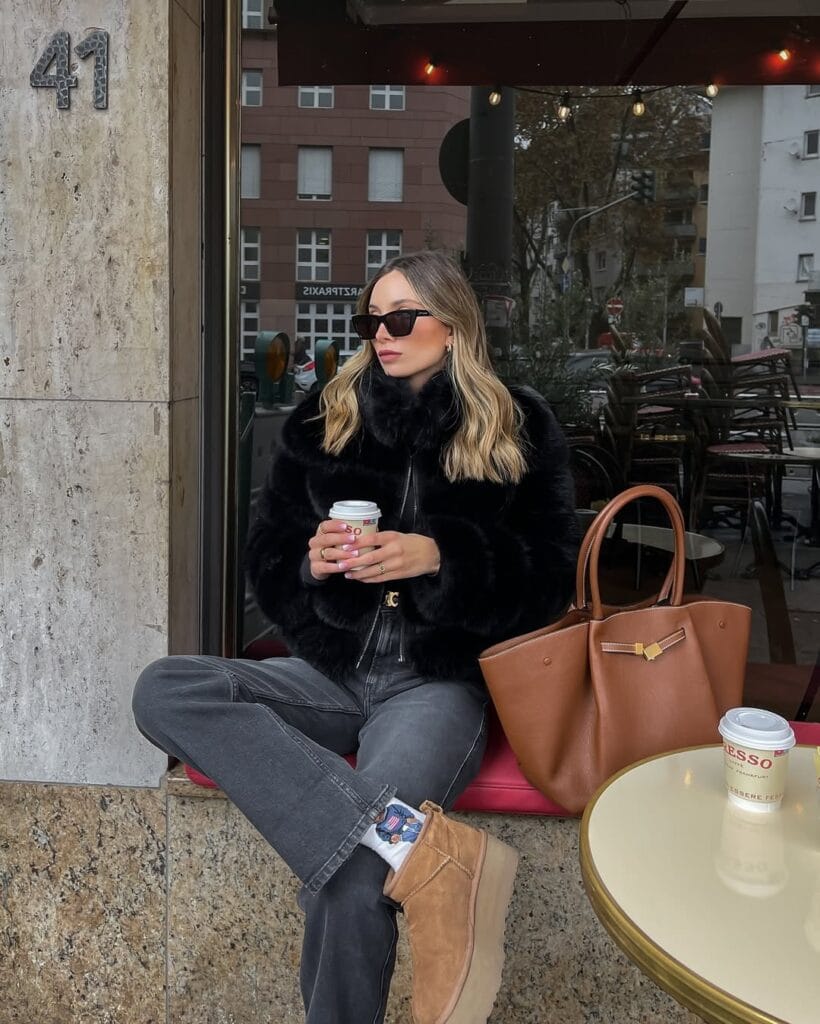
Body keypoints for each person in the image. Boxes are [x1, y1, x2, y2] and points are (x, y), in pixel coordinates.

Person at [132, 250, 578, 1024]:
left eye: (400, 318)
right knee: (166, 687)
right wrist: (307, 564)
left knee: (353, 874)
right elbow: (266, 556)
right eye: (370, 320)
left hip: (437, 684)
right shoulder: (324, 416)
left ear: (454, 325)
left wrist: (440, 555)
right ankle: (433, 862)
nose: (381, 334)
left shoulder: (517, 423)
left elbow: (552, 579)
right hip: (333, 670)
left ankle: (390, 853)